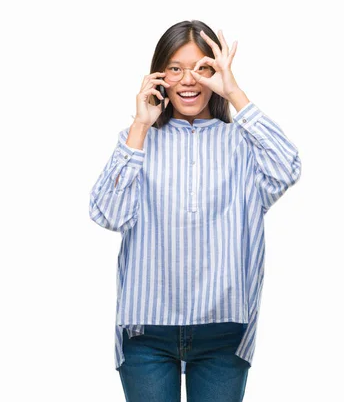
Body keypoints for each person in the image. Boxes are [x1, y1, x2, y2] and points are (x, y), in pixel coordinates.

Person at [89, 20, 301, 402]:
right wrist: (140, 125)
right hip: (146, 332)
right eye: (175, 68)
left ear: (216, 73)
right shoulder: (136, 140)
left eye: (202, 68)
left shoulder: (242, 143)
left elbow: (287, 166)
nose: (188, 80)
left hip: (222, 330)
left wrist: (234, 92)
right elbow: (108, 212)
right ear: (159, 75)